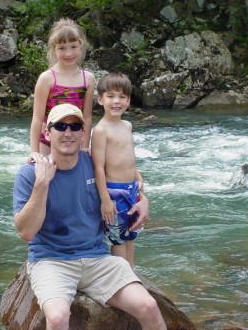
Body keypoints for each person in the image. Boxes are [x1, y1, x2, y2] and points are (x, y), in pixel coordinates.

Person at [13, 103, 166, 330]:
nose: (68, 133)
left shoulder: (94, 163)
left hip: (97, 258)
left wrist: (143, 199)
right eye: (60, 126)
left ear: (83, 133)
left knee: (149, 306)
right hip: (51, 260)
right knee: (56, 318)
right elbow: (25, 232)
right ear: (48, 132)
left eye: (75, 126)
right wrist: (42, 184)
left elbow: (128, 173)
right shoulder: (30, 173)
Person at [91, 72, 143, 266]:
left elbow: (128, 156)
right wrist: (105, 199)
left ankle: (131, 271)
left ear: (128, 101)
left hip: (131, 189)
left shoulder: (127, 125)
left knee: (131, 233)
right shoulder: (101, 130)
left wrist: (138, 178)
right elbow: (98, 166)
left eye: (122, 97)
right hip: (113, 191)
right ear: (100, 99)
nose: (116, 101)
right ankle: (122, 277)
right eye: (111, 96)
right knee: (118, 238)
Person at [28, 17, 95, 160]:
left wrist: (84, 146)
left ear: (80, 45)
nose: (68, 53)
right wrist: (34, 151)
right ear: (54, 49)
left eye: (73, 46)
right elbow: (37, 118)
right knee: (47, 176)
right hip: (47, 141)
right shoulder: (47, 78)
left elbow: (87, 117)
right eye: (62, 48)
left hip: (74, 138)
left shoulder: (88, 79)